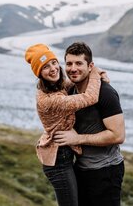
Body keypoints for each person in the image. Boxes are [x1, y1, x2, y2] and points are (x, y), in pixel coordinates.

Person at [24, 43, 107, 206]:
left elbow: (72, 83)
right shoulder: (50, 100)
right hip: (58, 162)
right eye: (46, 67)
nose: (53, 68)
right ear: (39, 73)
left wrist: (96, 73)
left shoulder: (56, 86)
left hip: (64, 155)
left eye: (54, 62)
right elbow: (89, 98)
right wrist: (95, 72)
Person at [53, 42, 125, 206]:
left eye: (79, 63)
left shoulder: (106, 93)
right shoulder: (71, 91)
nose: (73, 68)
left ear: (90, 66)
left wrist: (77, 139)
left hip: (106, 171)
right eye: (69, 63)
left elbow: (118, 135)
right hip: (82, 169)